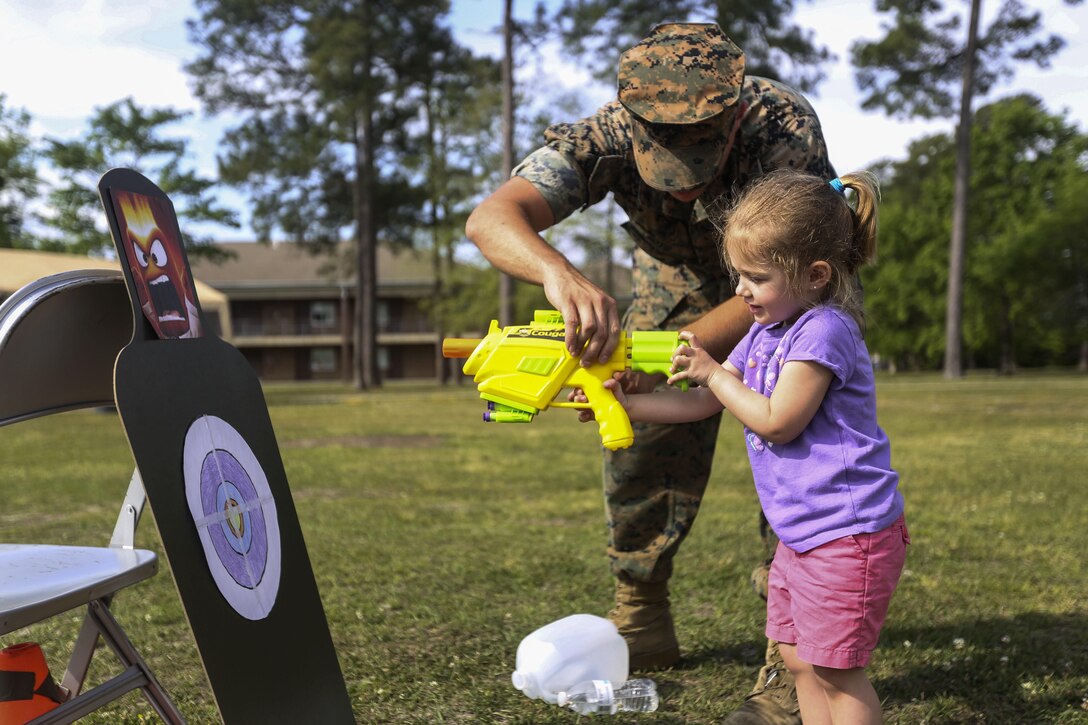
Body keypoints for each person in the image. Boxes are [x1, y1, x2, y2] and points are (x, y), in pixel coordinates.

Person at [464, 22, 834, 723]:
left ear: (730, 123)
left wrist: (685, 353)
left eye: (699, 162)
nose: (687, 192)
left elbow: (806, 269)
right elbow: (491, 218)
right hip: (677, 282)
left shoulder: (782, 126)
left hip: (788, 287)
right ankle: (641, 610)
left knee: (798, 456)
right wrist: (559, 275)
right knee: (641, 445)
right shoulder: (602, 135)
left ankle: (798, 667)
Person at [588, 168, 909, 724]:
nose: (739, 291)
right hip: (802, 535)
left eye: (755, 277)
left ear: (814, 275)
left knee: (836, 671)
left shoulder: (823, 330)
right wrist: (623, 403)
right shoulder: (765, 329)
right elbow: (700, 404)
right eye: (737, 273)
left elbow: (778, 420)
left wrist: (712, 374)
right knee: (799, 661)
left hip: (846, 535)